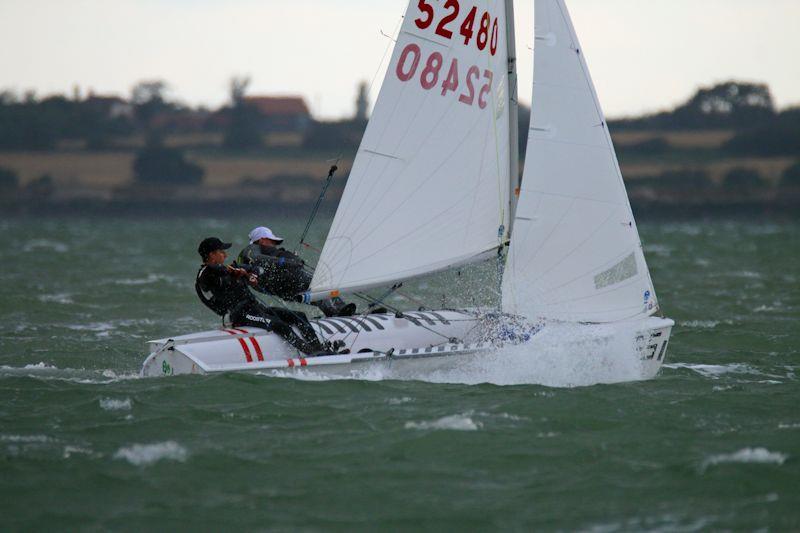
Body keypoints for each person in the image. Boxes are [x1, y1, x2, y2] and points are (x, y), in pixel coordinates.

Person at [195, 237, 337, 356]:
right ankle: (311, 353)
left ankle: (320, 349)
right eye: (221, 251)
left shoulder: (231, 268)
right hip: (240, 315)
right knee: (279, 325)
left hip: (257, 308)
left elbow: (254, 268)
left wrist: (251, 275)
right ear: (211, 254)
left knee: (299, 316)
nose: (225, 255)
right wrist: (238, 272)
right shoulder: (206, 274)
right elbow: (214, 274)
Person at [235, 226, 357, 318]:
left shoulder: (256, 253)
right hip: (283, 282)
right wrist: (285, 261)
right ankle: (337, 312)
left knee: (318, 295)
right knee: (319, 285)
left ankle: (338, 312)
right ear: (262, 240)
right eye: (272, 241)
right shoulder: (251, 249)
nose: (274, 245)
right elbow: (257, 259)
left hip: (282, 286)